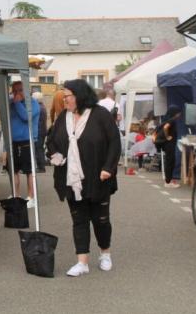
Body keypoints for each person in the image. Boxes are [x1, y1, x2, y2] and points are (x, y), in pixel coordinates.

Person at [47, 79, 121, 277]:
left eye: (67, 96)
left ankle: (105, 253)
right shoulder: (64, 117)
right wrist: (55, 155)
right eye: (64, 97)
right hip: (72, 179)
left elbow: (114, 142)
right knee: (79, 220)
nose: (65, 101)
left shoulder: (101, 116)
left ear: (79, 96)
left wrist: (108, 168)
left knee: (101, 219)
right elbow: (52, 140)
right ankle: (82, 262)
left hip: (99, 177)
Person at [9, 81, 40, 207]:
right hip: (14, 141)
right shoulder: (13, 103)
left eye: (20, 90)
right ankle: (16, 195)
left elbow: (25, 117)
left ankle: (31, 197)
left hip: (27, 141)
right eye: (14, 91)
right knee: (13, 170)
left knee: (29, 171)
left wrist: (16, 103)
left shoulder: (33, 103)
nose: (17, 94)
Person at [160, 105, 182, 188]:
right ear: (174, 113)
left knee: (170, 161)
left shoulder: (167, 119)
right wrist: (167, 136)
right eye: (178, 113)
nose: (179, 115)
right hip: (169, 144)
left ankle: (169, 180)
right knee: (170, 162)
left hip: (168, 144)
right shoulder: (171, 120)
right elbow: (165, 128)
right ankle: (168, 182)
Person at [32, 91, 47, 173]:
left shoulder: (38, 108)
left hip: (39, 131)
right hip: (41, 131)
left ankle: (41, 167)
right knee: (39, 149)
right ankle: (41, 165)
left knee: (39, 149)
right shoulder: (42, 106)